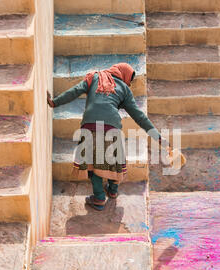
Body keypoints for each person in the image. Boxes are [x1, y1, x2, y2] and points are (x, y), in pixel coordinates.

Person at [47, 63, 166, 211]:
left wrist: (54, 102)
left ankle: (98, 197)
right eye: (129, 80)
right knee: (114, 160)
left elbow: (75, 91)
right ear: (124, 76)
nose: (128, 83)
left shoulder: (94, 77)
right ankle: (113, 190)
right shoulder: (125, 89)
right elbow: (139, 115)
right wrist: (157, 136)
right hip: (112, 128)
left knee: (93, 162)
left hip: (90, 125)